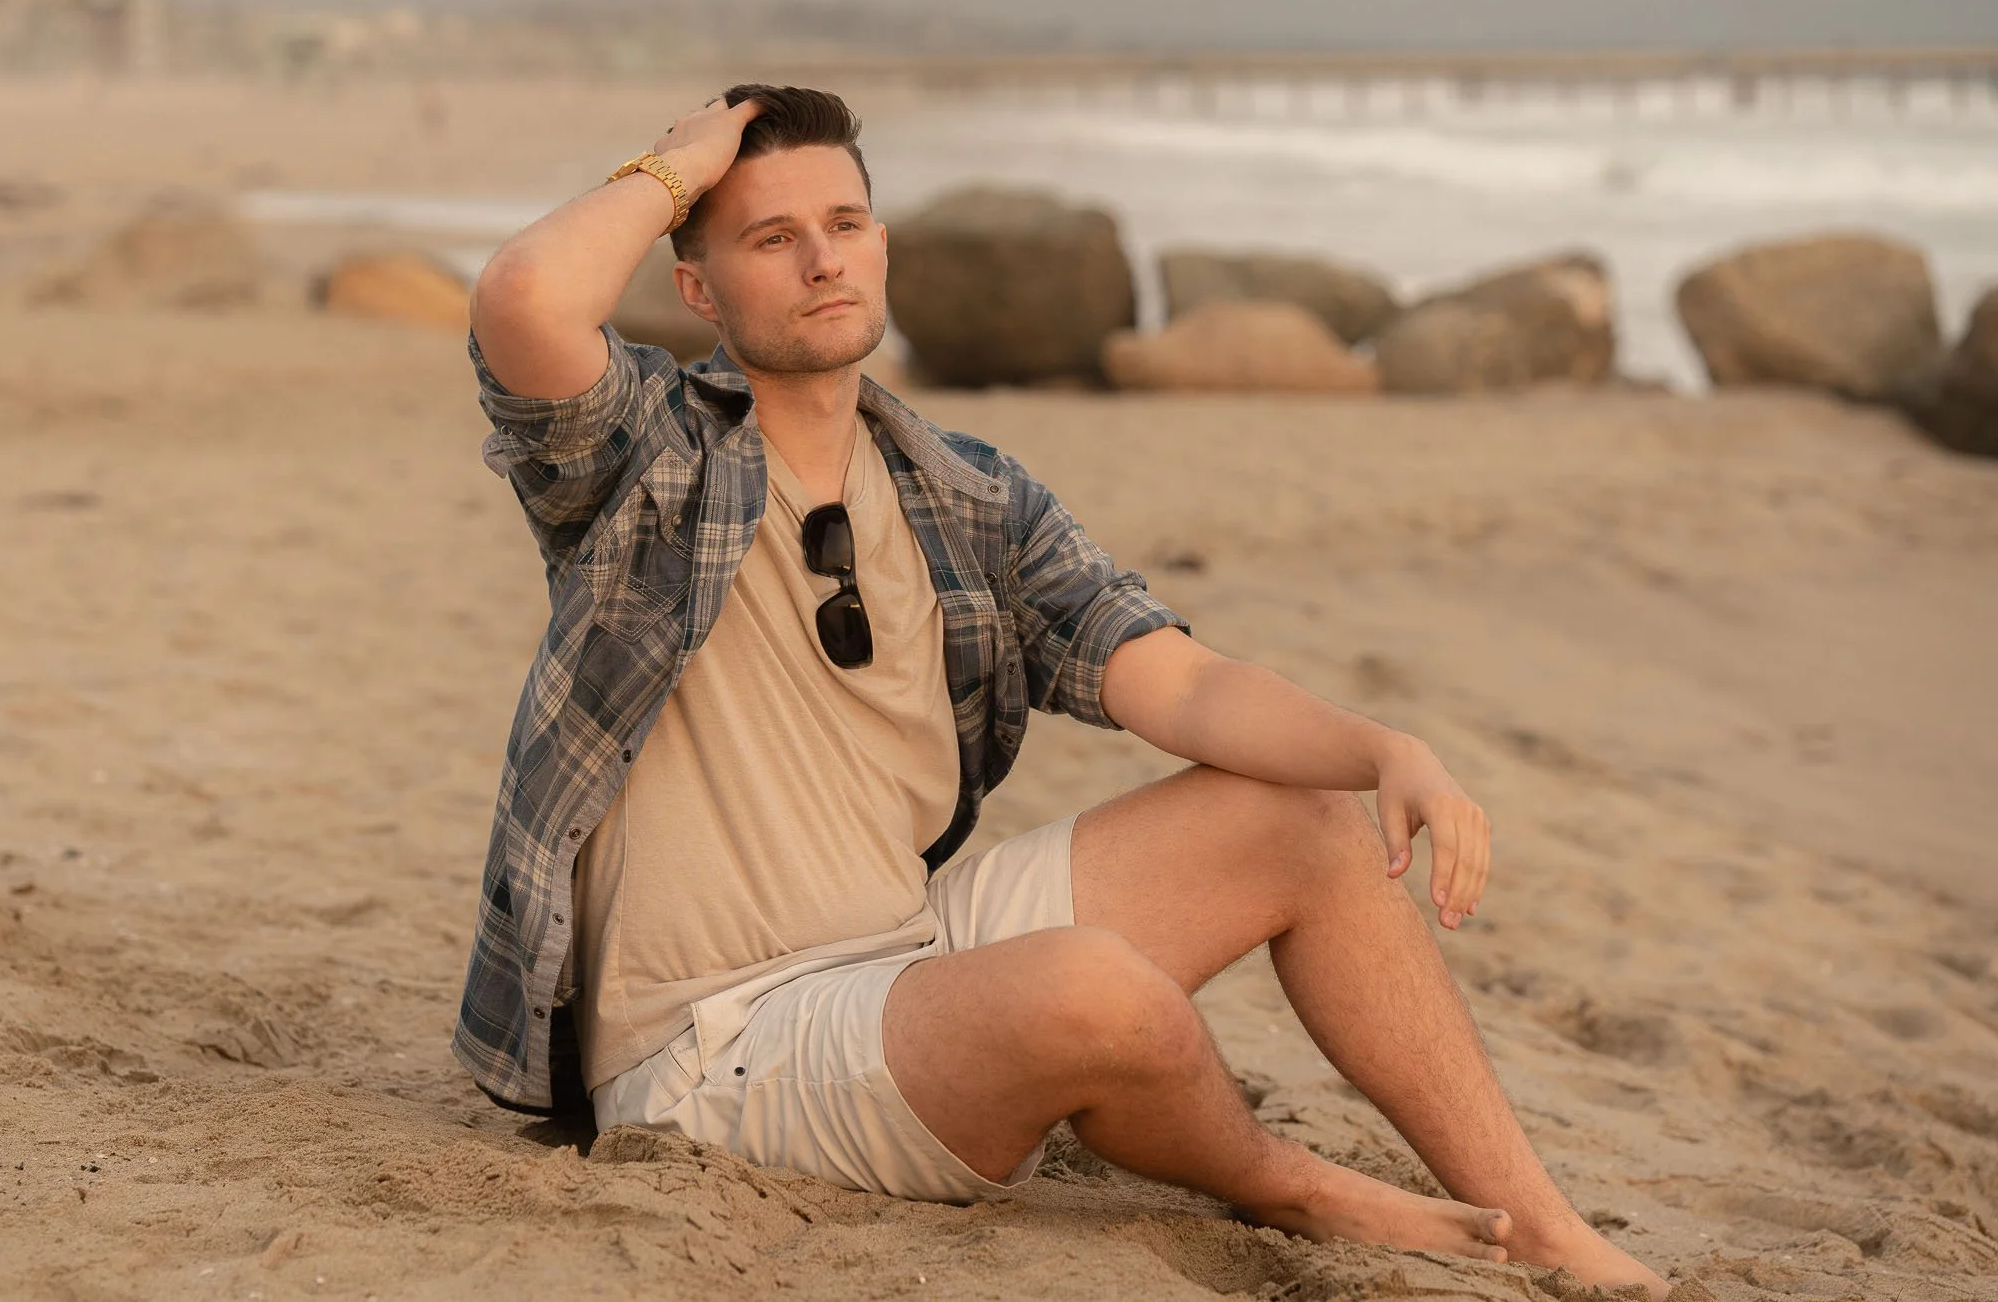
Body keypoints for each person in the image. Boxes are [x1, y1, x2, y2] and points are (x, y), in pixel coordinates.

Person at [454, 84, 1665, 1296]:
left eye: (847, 223)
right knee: (1094, 991)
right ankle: (1285, 1183)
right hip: (717, 1042)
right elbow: (524, 297)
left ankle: (1543, 1223)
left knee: (1297, 813)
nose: (824, 260)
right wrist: (686, 161)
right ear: (701, 290)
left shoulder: (966, 495)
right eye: (774, 238)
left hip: (910, 949)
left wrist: (1386, 747)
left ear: (882, 243)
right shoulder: (646, 459)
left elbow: (1179, 681)